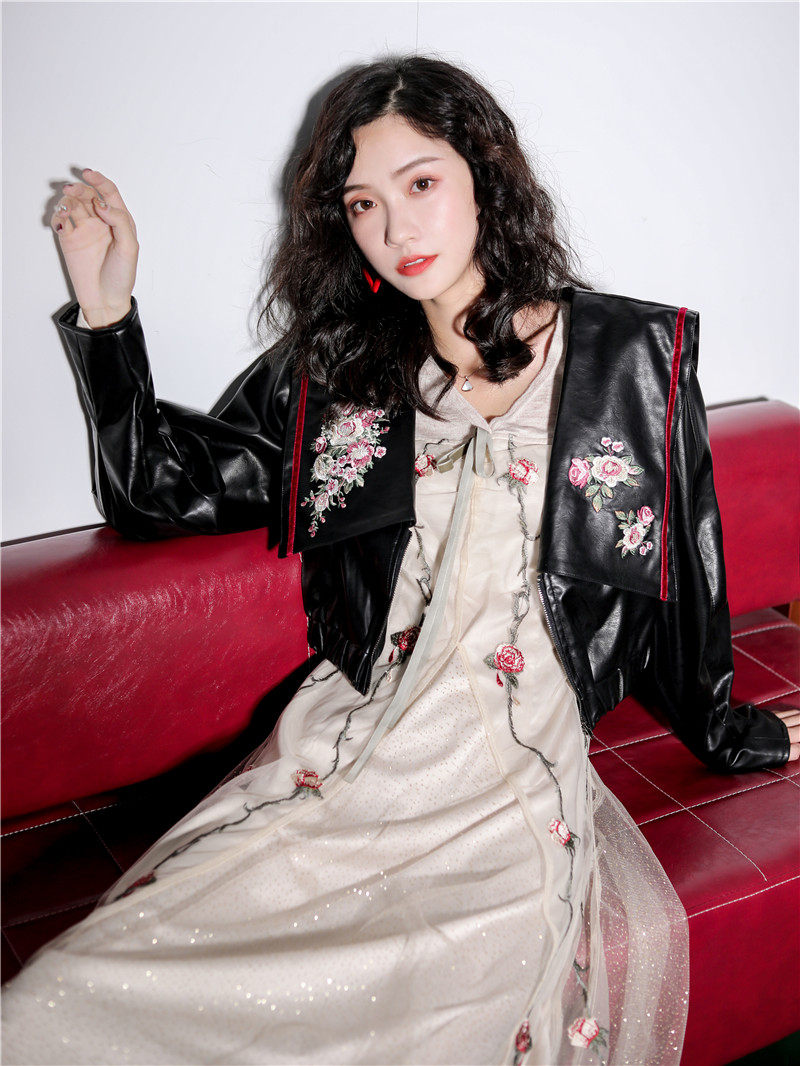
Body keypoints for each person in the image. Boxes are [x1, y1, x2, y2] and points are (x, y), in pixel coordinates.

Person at [3, 54, 798, 1066]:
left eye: (420, 182)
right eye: (363, 203)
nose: (395, 226)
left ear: (484, 175)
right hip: (345, 751)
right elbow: (161, 486)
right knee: (64, 999)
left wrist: (729, 732)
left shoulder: (626, 360)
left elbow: (682, 572)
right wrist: (106, 310)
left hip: (509, 778)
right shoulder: (344, 372)